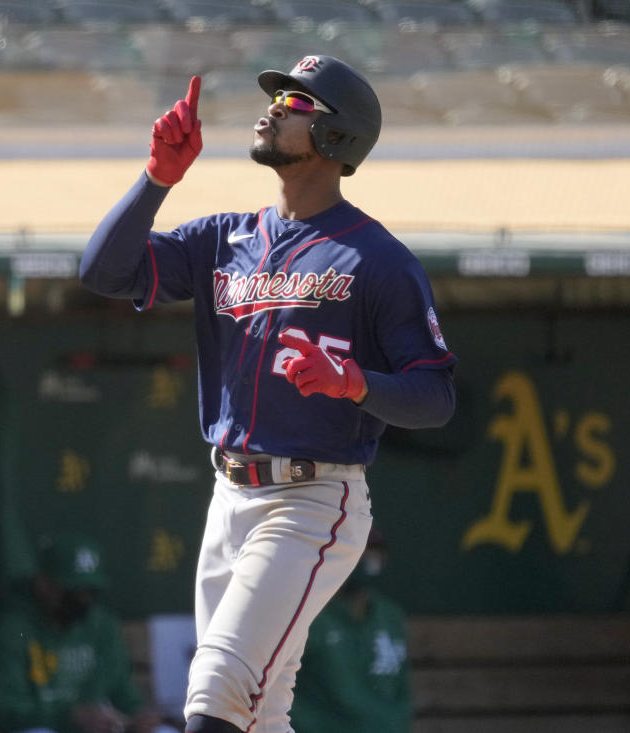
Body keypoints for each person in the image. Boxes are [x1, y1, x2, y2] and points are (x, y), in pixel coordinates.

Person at [78, 54, 456, 733]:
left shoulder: (378, 260)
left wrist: (357, 383)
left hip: (311, 499)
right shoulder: (225, 239)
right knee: (257, 714)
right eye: (279, 93)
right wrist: (158, 177)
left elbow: (435, 395)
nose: (276, 104)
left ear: (336, 138)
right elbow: (104, 271)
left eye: (298, 102)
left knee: (216, 689)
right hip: (230, 497)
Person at [0, 532, 177, 733]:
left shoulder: (101, 625)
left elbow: (124, 695)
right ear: (43, 584)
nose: (83, 600)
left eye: (90, 591)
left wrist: (139, 718)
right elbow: (4, 714)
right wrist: (69, 718)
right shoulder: (11, 628)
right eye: (74, 591)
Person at [289, 529, 411, 733]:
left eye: (373, 550)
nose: (367, 558)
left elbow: (402, 695)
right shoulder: (309, 616)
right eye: (358, 550)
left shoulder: (391, 617)